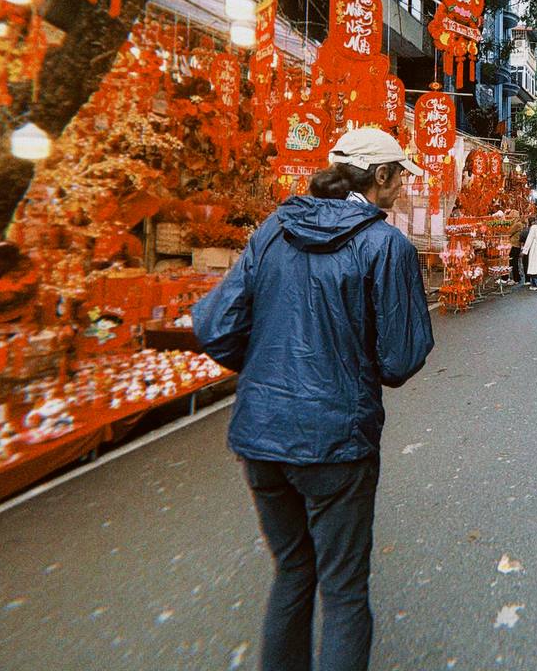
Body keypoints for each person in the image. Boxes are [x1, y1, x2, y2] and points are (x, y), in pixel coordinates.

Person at [193, 127, 434, 671]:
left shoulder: (274, 228)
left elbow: (216, 325)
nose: (401, 190)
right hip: (335, 443)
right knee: (344, 591)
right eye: (399, 178)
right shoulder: (385, 244)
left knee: (293, 570)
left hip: (259, 435)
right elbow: (399, 359)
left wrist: (267, 372)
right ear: (381, 177)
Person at [506, 209, 526, 285]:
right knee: (514, 262)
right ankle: (516, 278)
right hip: (516, 245)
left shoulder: (517, 224)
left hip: (514, 245)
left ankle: (516, 279)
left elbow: (509, 232)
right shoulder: (519, 223)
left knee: (513, 262)